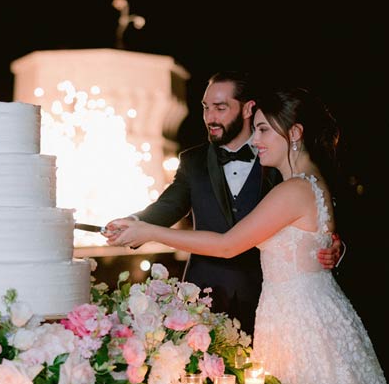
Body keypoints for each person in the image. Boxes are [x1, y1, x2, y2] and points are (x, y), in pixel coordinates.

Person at [106, 86, 389, 384]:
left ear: (296, 133)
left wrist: (151, 232)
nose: (256, 140)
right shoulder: (311, 181)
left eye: (264, 130)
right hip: (305, 314)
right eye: (254, 129)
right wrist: (139, 223)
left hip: (298, 324)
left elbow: (227, 245)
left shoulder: (291, 189)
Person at [105, 71, 340, 336]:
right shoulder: (193, 161)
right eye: (206, 108)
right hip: (205, 296)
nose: (210, 118)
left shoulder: (279, 158)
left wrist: (329, 246)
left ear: (248, 108)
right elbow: (168, 205)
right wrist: (135, 224)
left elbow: (316, 211)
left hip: (271, 300)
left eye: (220, 108)